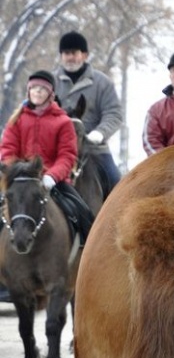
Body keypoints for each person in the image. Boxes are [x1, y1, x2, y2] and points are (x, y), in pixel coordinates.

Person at [0, 70, 95, 243]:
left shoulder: (63, 122)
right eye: (34, 88)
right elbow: (7, 150)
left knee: (83, 213)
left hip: (53, 181)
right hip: (20, 180)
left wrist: (52, 175)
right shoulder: (17, 119)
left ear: (50, 94)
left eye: (42, 89)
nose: (37, 92)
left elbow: (67, 155)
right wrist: (15, 172)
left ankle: (88, 253)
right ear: (28, 91)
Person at [54, 31, 123, 199]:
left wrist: (99, 133)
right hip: (55, 149)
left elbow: (113, 113)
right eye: (66, 53)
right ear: (61, 56)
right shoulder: (50, 82)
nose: (70, 57)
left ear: (84, 55)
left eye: (74, 53)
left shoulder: (102, 82)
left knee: (116, 181)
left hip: (94, 150)